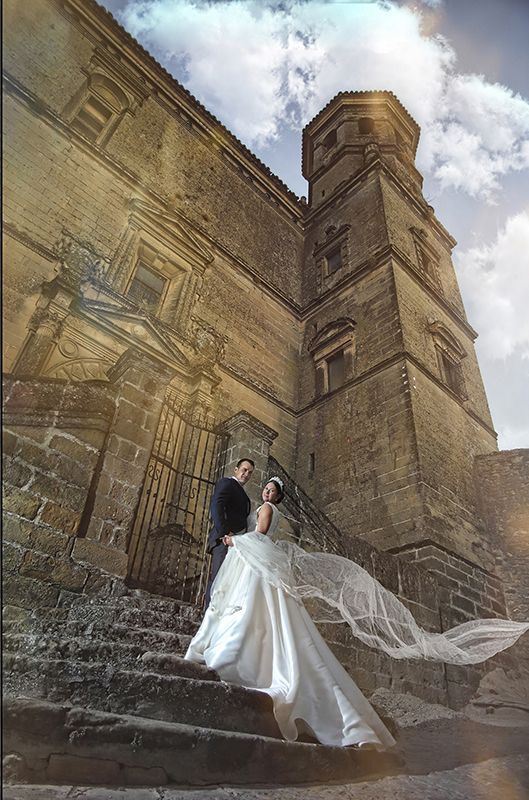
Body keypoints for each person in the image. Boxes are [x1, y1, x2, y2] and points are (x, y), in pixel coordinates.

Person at [187, 477, 529, 750]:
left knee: (258, 617)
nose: (266, 490)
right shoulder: (274, 512)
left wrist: (234, 542)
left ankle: (239, 660)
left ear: (275, 497)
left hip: (258, 562)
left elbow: (259, 538)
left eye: (271, 489)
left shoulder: (264, 510)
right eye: (266, 487)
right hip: (265, 567)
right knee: (273, 622)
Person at [204, 458, 254, 608]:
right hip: (224, 540)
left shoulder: (244, 495)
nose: (246, 474)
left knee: (227, 583)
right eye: (244, 470)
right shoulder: (227, 483)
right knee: (218, 580)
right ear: (236, 469)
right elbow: (217, 506)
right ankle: (207, 620)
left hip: (235, 543)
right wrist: (225, 533)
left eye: (250, 473)